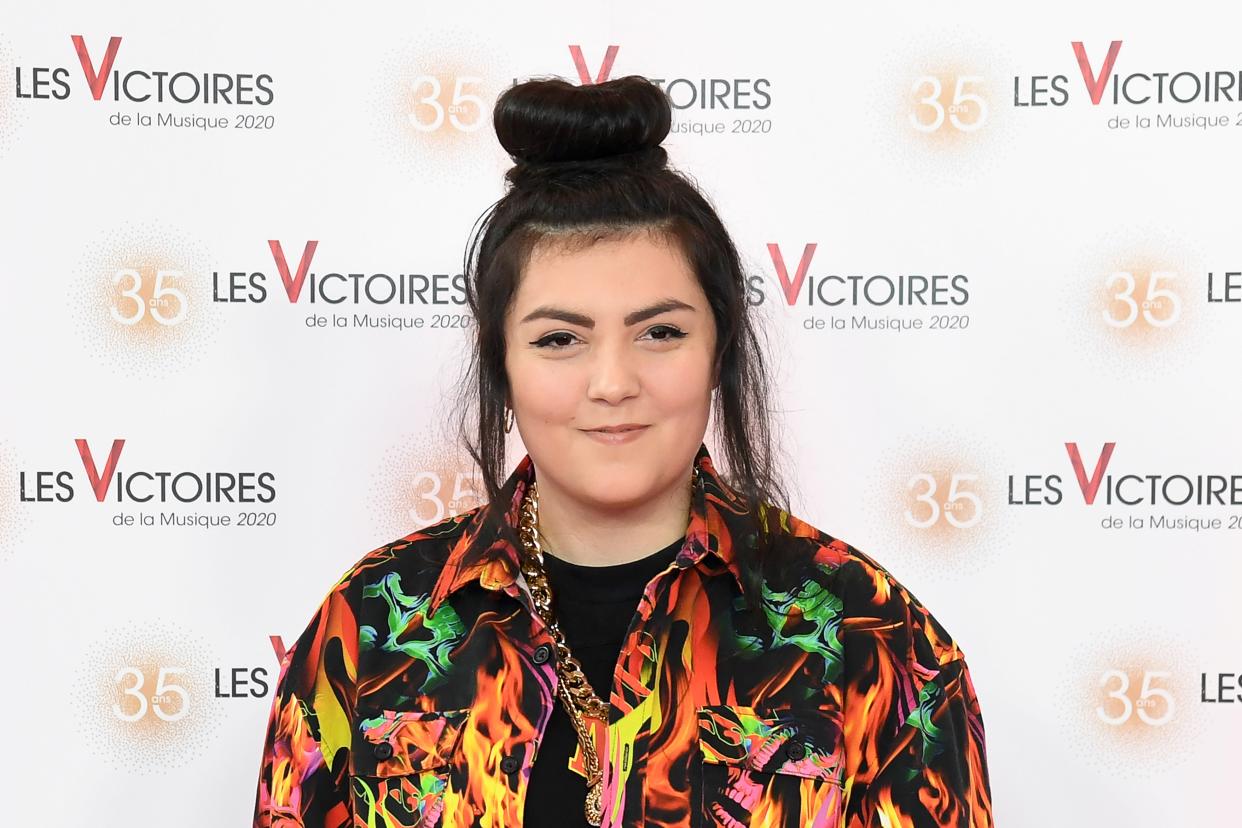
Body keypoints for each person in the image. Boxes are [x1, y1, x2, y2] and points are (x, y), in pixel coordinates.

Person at [252, 74, 994, 828]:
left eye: (660, 332)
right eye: (559, 340)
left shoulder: (876, 642)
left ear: (720, 352)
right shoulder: (373, 626)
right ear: (502, 367)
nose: (612, 382)